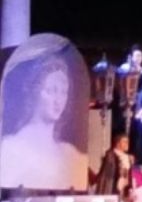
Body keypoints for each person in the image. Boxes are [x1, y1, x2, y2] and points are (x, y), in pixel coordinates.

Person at [0, 48, 87, 190]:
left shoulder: (69, 154)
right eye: (51, 90)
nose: (58, 100)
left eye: (63, 92)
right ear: (35, 92)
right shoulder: (11, 147)